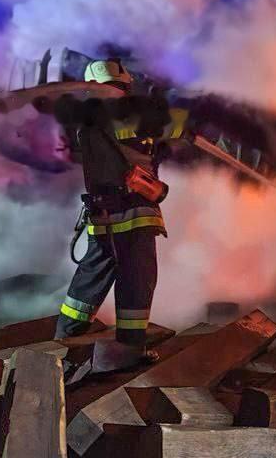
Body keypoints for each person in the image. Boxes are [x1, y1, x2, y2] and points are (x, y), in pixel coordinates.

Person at [51, 59, 188, 361]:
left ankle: (67, 341)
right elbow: (174, 125)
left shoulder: (91, 121)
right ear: (126, 86)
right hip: (132, 213)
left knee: (102, 277)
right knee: (135, 281)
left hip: (108, 215)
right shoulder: (115, 117)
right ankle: (120, 347)